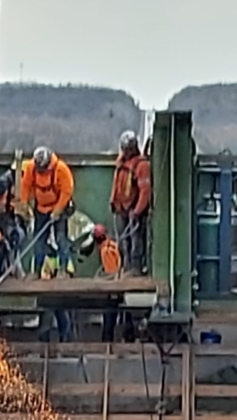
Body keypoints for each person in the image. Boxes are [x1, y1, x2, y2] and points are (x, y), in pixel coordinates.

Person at [20, 146, 75, 279]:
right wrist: (24, 204)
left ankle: (63, 270)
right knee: (39, 240)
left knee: (61, 238)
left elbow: (67, 191)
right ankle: (36, 271)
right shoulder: (31, 168)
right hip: (40, 209)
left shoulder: (60, 169)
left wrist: (57, 210)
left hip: (58, 208)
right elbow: (25, 186)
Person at [110, 131, 152, 277]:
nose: (126, 152)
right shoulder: (120, 163)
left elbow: (145, 190)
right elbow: (116, 184)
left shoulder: (142, 165)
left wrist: (138, 210)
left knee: (136, 239)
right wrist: (113, 202)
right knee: (122, 240)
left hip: (134, 208)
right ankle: (125, 266)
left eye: (128, 149)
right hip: (121, 208)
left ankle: (136, 267)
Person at [92, 224, 135, 342]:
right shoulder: (113, 246)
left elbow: (111, 271)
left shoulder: (106, 250)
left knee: (110, 319)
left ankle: (108, 343)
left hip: (112, 291)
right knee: (125, 314)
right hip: (119, 287)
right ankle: (127, 337)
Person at [0, 160, 30, 257]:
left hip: (18, 217)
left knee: (17, 241)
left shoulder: (26, 183)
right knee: (8, 242)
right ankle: (10, 267)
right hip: (6, 216)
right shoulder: (7, 180)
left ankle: (14, 266)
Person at [38, 239, 73, 342]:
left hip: (60, 296)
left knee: (65, 323)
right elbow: (42, 276)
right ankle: (44, 351)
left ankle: (65, 348)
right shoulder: (43, 259)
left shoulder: (64, 257)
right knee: (45, 325)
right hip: (46, 296)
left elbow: (70, 273)